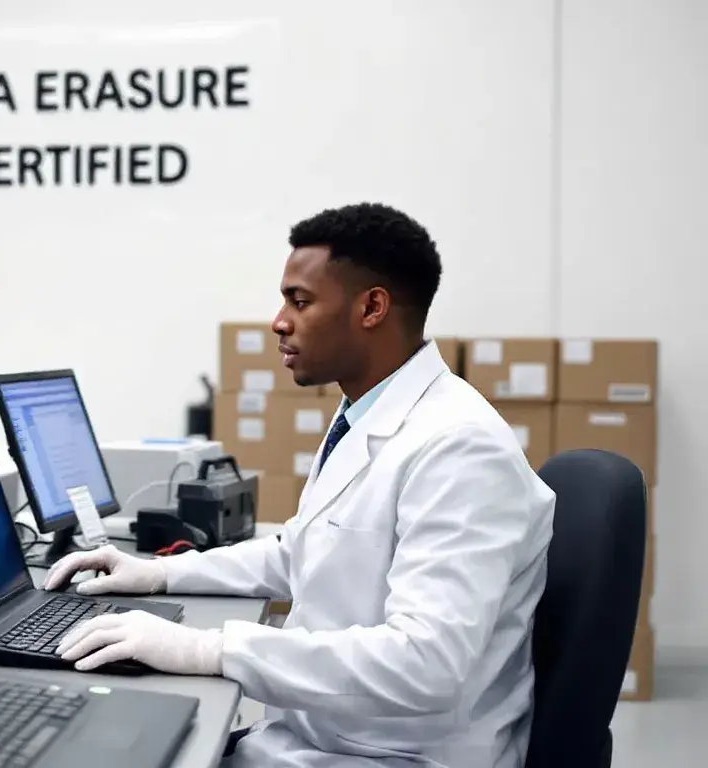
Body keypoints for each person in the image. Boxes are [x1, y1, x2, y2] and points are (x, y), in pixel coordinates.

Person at [45, 203, 556, 767]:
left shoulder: (460, 446)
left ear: (372, 307)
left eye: (300, 300)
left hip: (394, 755)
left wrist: (208, 649)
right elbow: (303, 552)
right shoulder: (366, 413)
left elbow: (426, 663)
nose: (279, 321)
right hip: (325, 738)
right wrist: (161, 572)